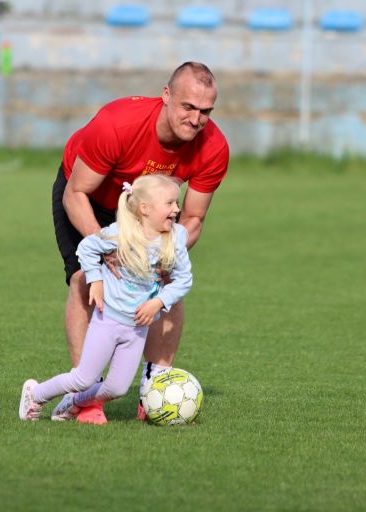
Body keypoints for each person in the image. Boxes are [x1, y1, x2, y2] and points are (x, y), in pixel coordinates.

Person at [52, 61, 229, 424]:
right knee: (85, 281)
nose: (196, 120)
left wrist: (167, 258)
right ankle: (86, 398)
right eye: (188, 107)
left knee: (167, 288)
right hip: (90, 199)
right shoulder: (119, 123)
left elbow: (193, 219)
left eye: (205, 112)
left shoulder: (213, 147)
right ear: (166, 96)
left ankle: (154, 393)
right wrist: (111, 248)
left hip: (151, 217)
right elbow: (75, 194)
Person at [20, 175, 193, 422]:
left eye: (177, 203)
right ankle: (35, 394)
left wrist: (158, 302)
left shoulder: (174, 238)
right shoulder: (121, 233)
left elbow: (184, 279)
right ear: (145, 209)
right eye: (170, 203)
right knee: (83, 378)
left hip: (137, 329)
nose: (177, 209)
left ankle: (75, 401)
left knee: (117, 389)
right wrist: (97, 281)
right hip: (108, 320)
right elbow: (87, 248)